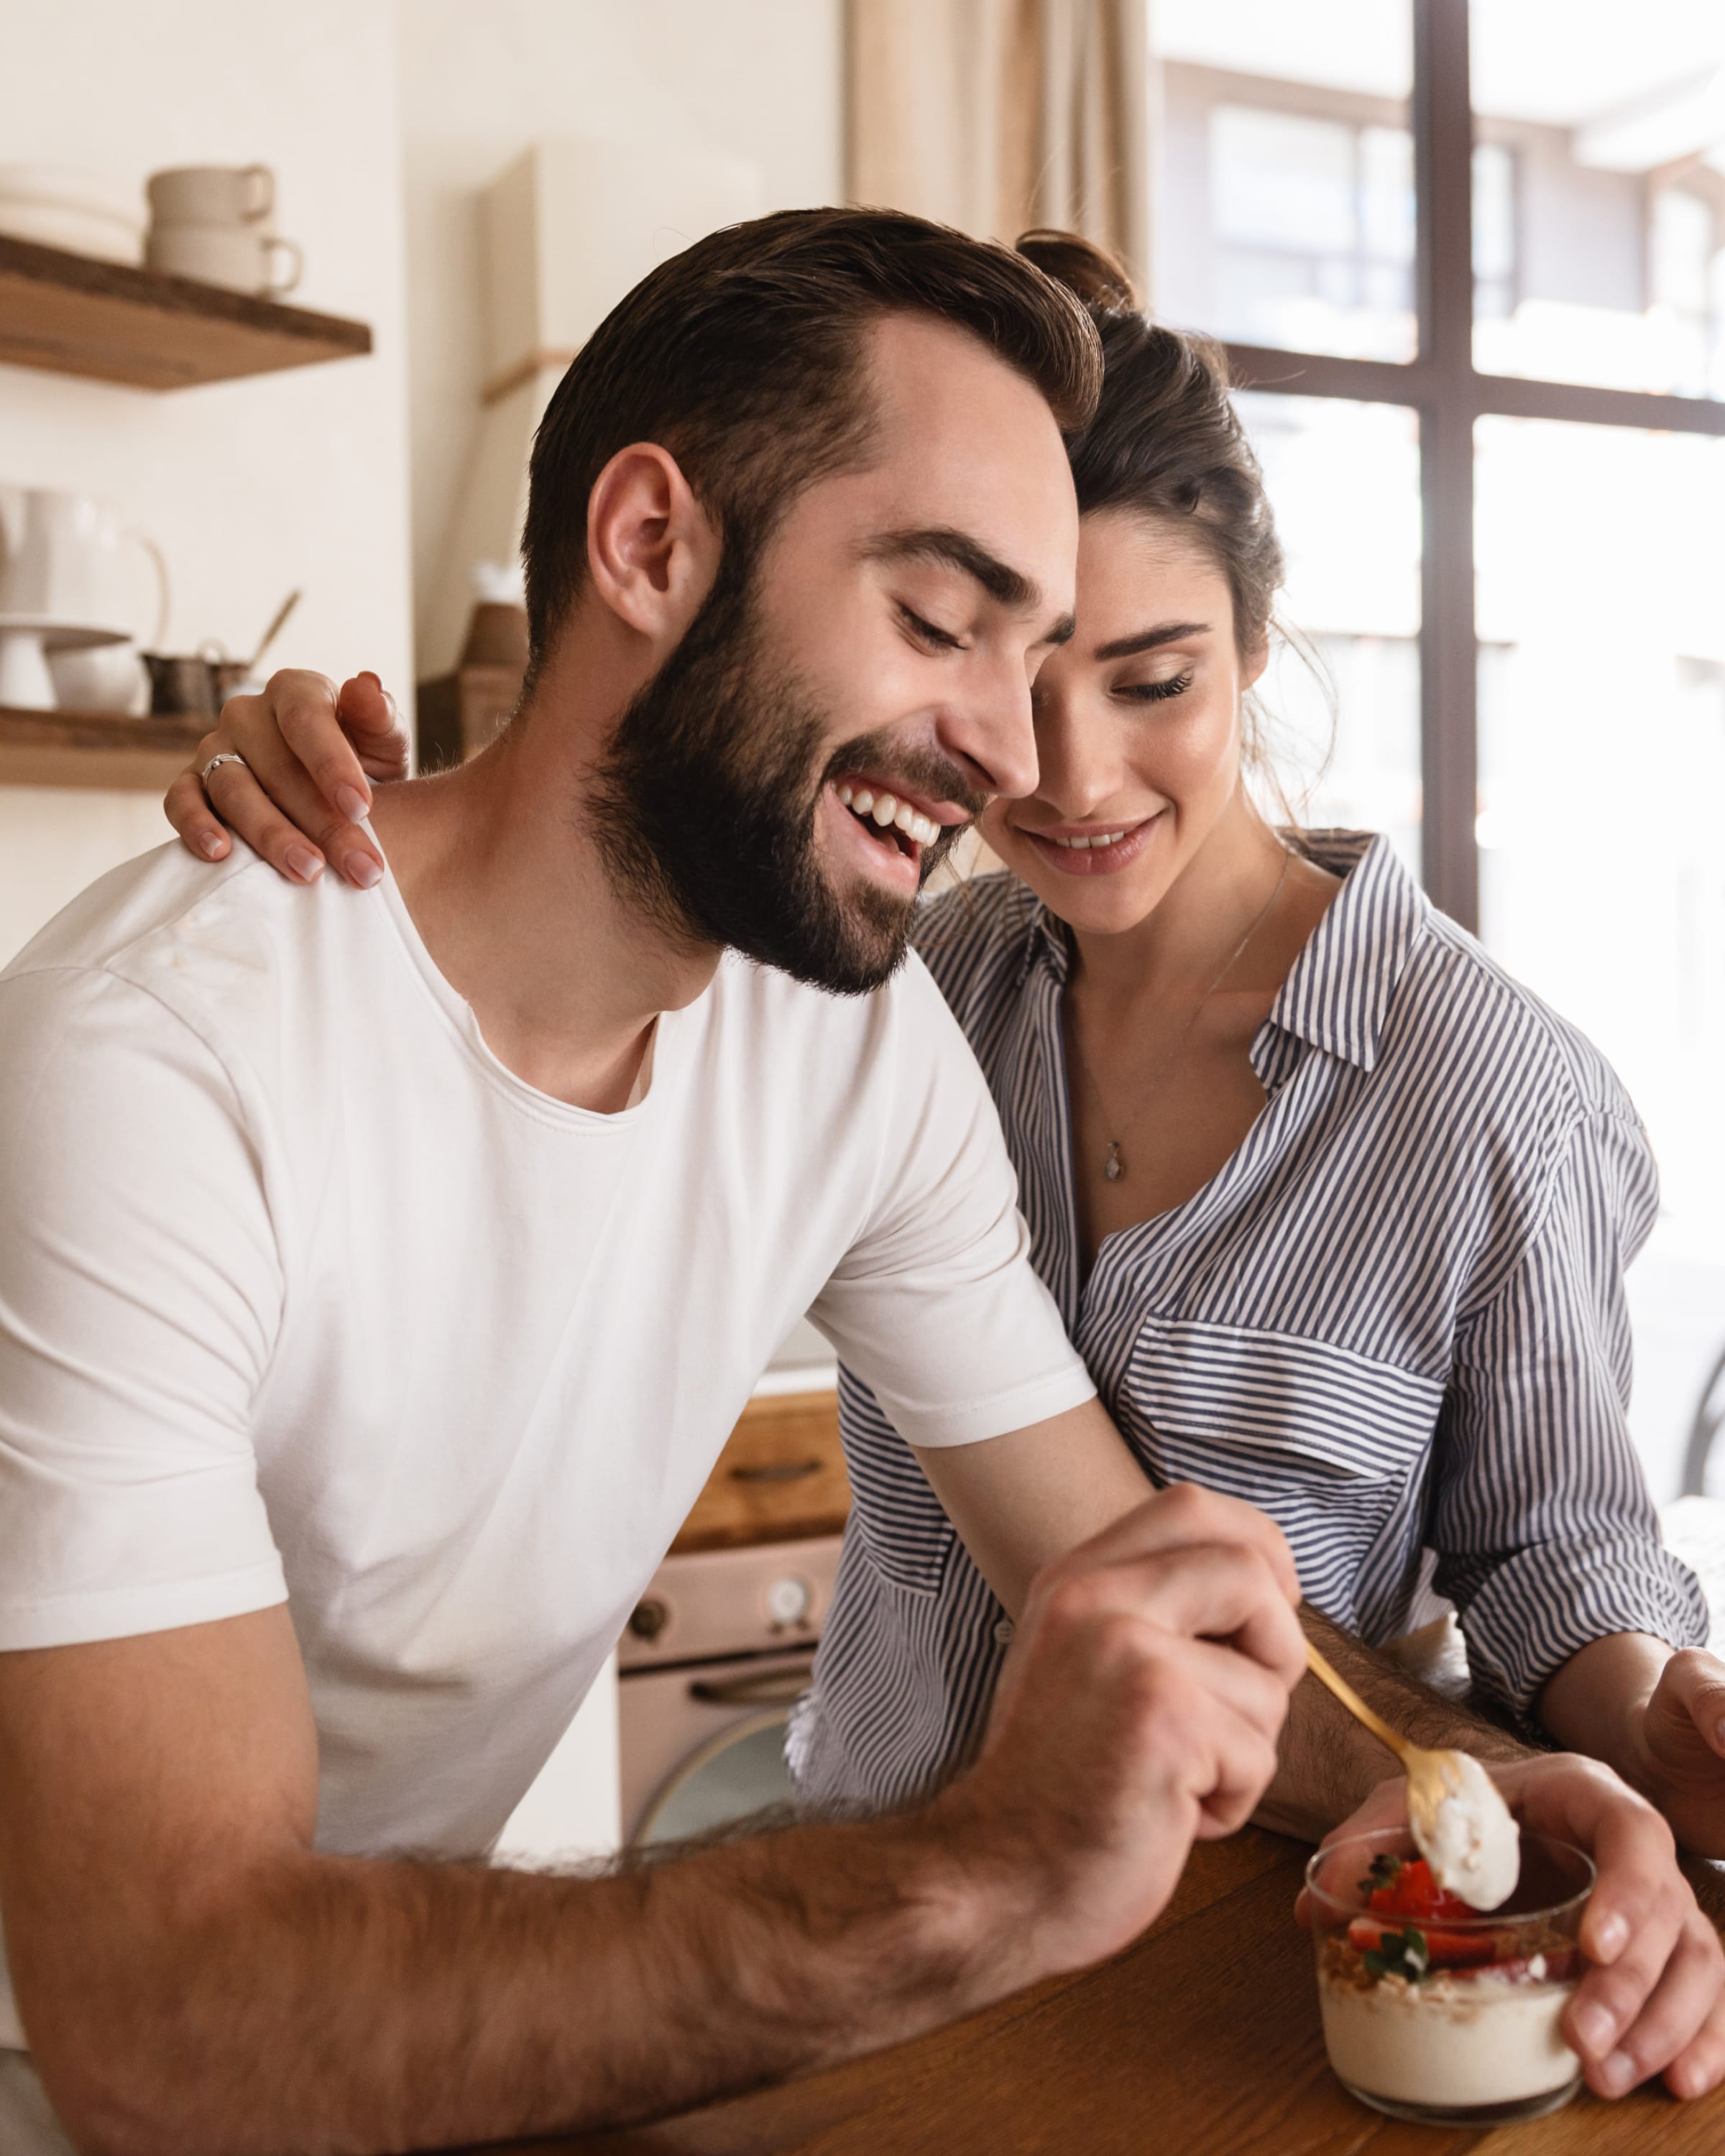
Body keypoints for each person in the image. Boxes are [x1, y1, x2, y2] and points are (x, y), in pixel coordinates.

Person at [178, 226, 1725, 2111]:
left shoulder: (1478, 1089)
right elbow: (587, 896)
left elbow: (1543, 1542)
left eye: (1153, 679)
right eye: (982, 658)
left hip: (1274, 1961)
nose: (1051, 769)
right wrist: (338, 811)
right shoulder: (905, 980)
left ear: (1259, 645)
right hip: (875, 1909)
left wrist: (1608, 1740)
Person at [0, 208, 1317, 2156]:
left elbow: (1138, 1591)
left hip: (403, 2066)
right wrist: (977, 1877)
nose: (1009, 747)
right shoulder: (152, 1064)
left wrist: (1488, 1817)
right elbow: (161, 2029)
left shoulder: (849, 1049)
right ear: (648, 545)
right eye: (944, 624)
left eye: (1038, 658)